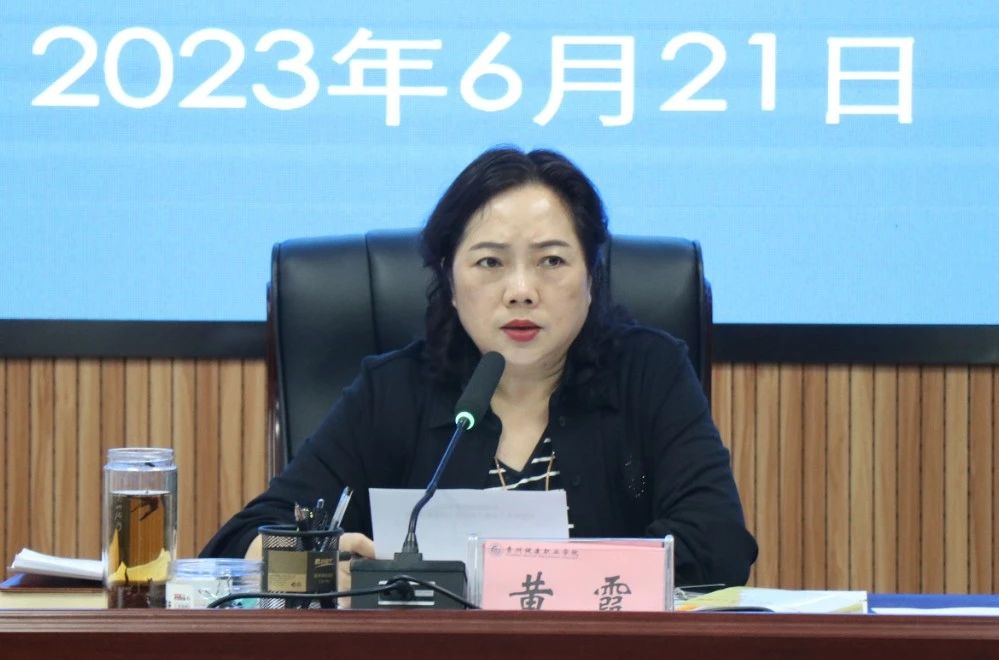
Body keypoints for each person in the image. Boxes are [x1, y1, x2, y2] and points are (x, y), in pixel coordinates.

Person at [201, 146, 758, 588]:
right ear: (449, 279)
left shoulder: (649, 374)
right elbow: (236, 545)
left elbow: (719, 545)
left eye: (552, 260)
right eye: (490, 262)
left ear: (592, 276)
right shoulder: (393, 392)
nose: (521, 290)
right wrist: (317, 560)